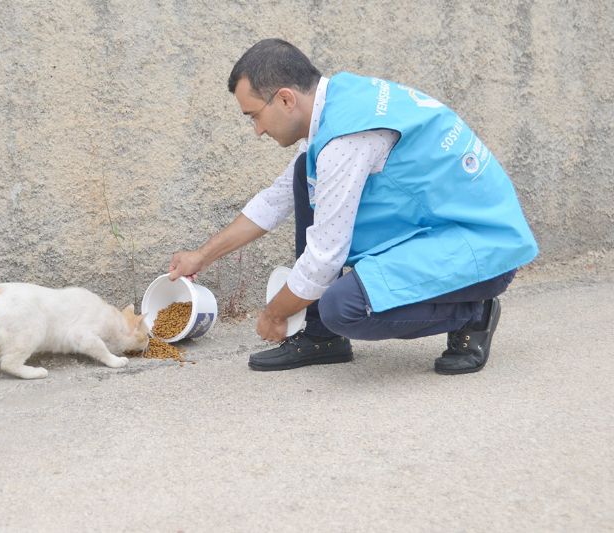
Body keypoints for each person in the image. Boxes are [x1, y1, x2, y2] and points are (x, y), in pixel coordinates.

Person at [167, 39, 538, 375]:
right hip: (442, 228)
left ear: (284, 99)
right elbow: (275, 199)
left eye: (254, 116)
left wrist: (276, 314)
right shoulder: (337, 103)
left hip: (484, 251)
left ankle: (474, 312)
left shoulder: (345, 141)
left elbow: (325, 260)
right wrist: (202, 256)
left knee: (342, 307)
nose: (257, 130)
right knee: (302, 175)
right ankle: (320, 337)